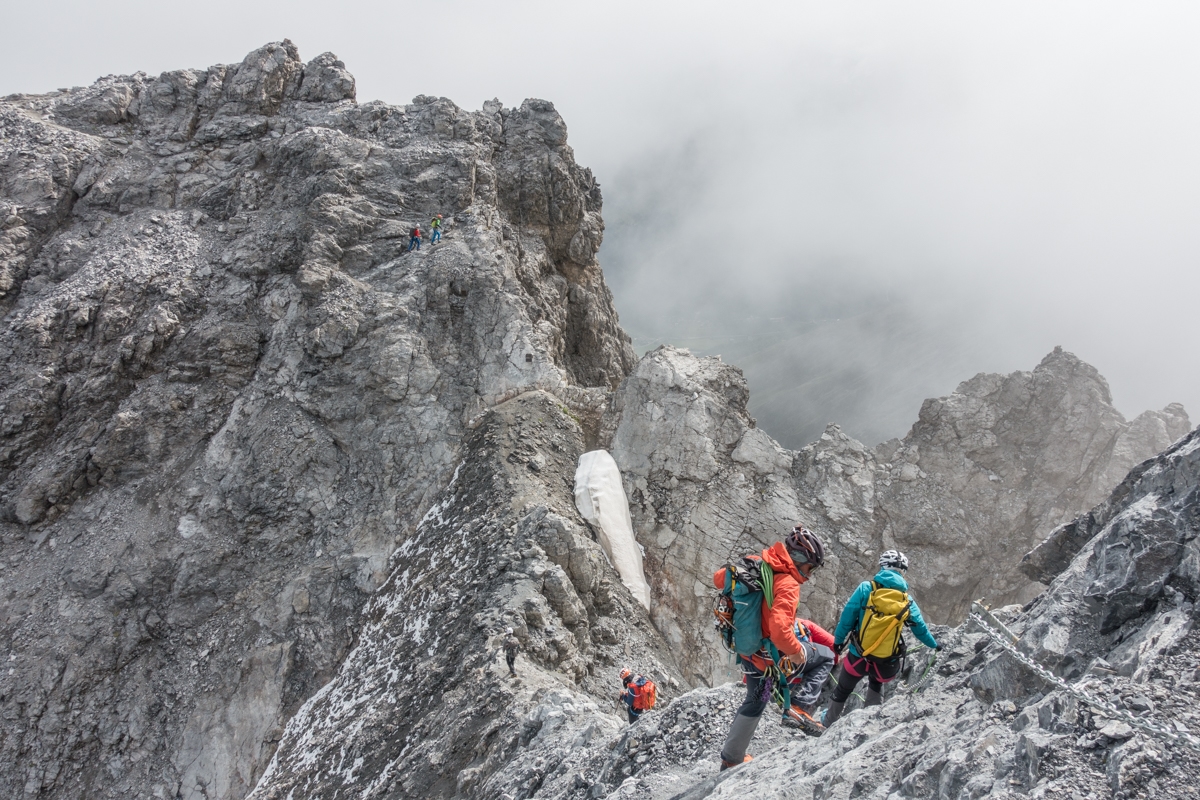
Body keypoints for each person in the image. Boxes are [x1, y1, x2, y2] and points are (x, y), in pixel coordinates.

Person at [713, 526, 825, 770]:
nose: (810, 574)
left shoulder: (757, 563)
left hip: (747, 648)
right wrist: (796, 652)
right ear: (800, 560)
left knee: (756, 698)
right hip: (766, 656)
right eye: (811, 567)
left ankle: (731, 757)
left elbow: (719, 577)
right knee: (824, 656)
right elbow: (780, 630)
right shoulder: (788, 584)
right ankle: (798, 706)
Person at [822, 550, 939, 728]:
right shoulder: (906, 600)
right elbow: (920, 629)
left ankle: (827, 722)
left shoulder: (866, 588)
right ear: (903, 572)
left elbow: (846, 618)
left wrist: (838, 642)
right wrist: (935, 645)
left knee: (843, 689)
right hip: (885, 662)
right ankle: (869, 725)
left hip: (858, 656)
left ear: (882, 566)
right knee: (876, 684)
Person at [780, 618, 837, 735]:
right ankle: (797, 706)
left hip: (766, 665)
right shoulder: (805, 624)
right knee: (827, 656)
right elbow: (834, 646)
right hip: (791, 663)